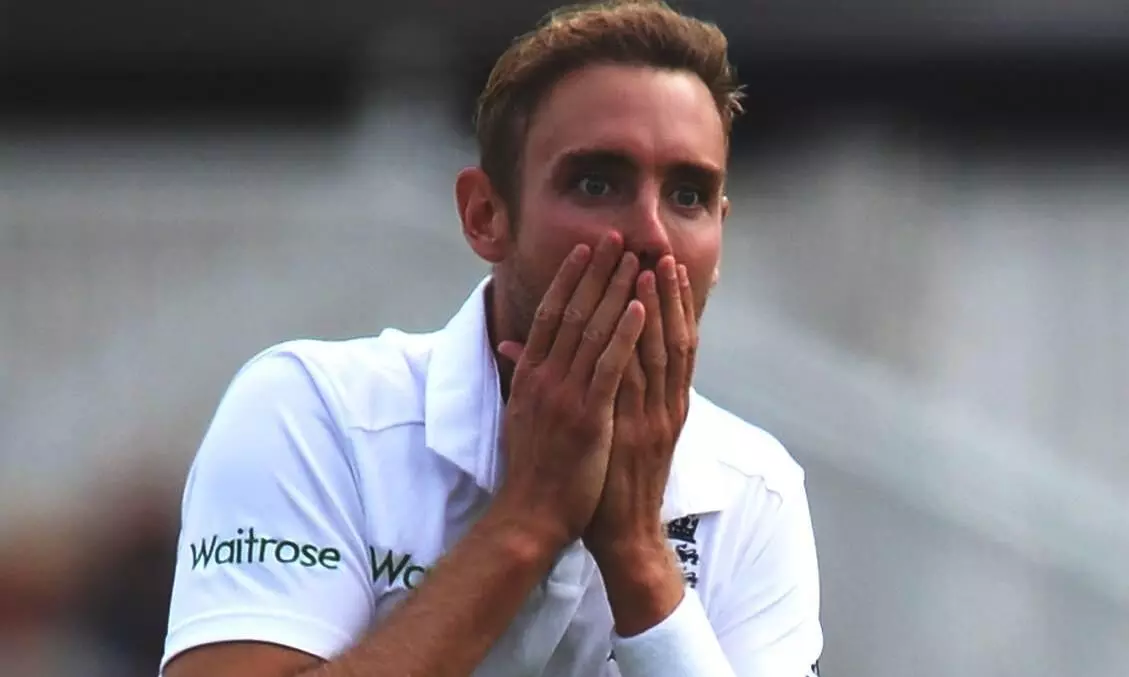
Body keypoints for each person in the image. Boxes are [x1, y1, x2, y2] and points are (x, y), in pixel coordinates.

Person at [159, 1, 824, 676]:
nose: (652, 235)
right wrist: (529, 518)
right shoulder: (316, 414)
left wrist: (638, 554)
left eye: (687, 196)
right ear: (485, 215)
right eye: (596, 183)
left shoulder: (755, 487)